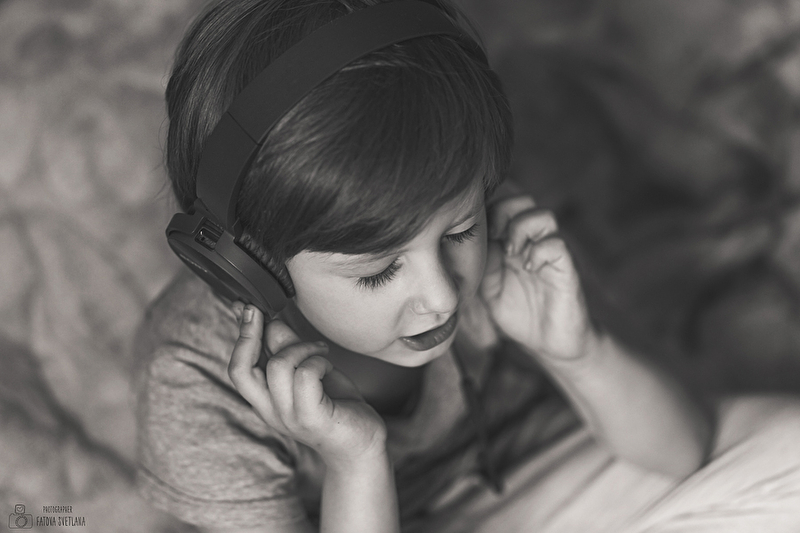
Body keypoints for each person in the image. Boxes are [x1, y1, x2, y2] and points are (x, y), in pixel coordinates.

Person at [134, 1, 800, 532]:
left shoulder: (492, 228)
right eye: (377, 271)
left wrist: (578, 351)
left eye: (458, 231)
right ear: (253, 268)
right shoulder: (193, 376)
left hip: (546, 475)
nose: (444, 296)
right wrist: (355, 460)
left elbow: (684, 449)